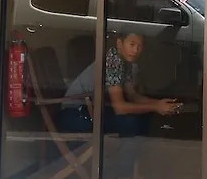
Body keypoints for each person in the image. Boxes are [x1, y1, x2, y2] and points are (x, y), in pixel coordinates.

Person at [57, 32, 181, 178]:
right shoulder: (113, 61)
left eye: (139, 46)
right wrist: (156, 107)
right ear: (119, 44)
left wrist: (158, 104)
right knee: (130, 122)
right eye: (132, 44)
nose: (135, 50)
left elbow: (132, 96)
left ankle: (129, 166)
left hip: (94, 110)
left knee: (144, 118)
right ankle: (121, 173)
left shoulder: (125, 62)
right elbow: (120, 108)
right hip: (76, 115)